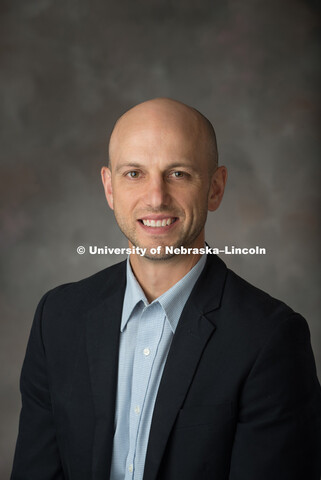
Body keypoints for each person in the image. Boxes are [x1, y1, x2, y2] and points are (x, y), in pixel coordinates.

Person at [11, 98, 321, 480]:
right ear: (109, 188)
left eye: (178, 174)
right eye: (134, 174)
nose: (156, 197)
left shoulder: (270, 338)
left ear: (215, 188)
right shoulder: (57, 318)